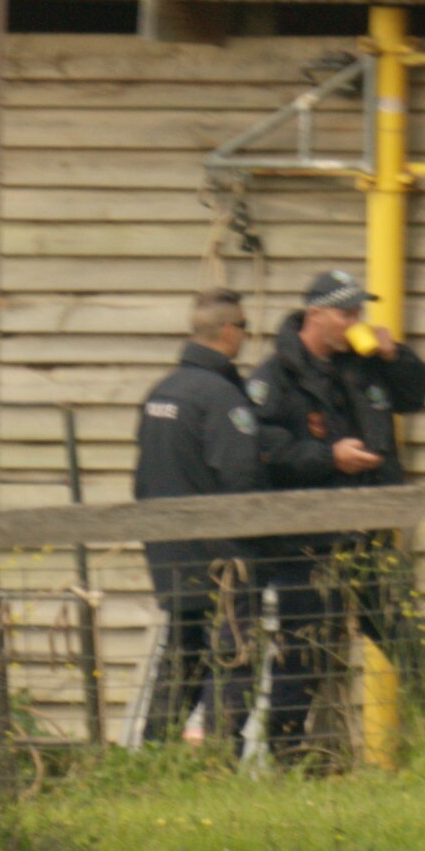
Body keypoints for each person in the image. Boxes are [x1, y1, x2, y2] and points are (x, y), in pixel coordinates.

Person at [246, 268, 425, 751]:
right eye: (346, 311)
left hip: (369, 535)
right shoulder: (275, 376)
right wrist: (329, 457)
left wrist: (397, 356)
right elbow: (263, 449)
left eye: (359, 310)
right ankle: (285, 756)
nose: (356, 320)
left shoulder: (366, 363)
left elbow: (416, 394)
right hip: (308, 543)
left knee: (412, 641)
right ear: (316, 315)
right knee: (302, 654)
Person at [129, 288, 261, 747]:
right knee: (234, 656)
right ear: (229, 332)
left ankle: (155, 753)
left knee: (183, 655)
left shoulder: (160, 393)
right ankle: (221, 759)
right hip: (219, 557)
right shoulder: (222, 397)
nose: (247, 336)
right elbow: (242, 475)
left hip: (167, 551)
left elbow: (144, 474)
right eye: (245, 327)